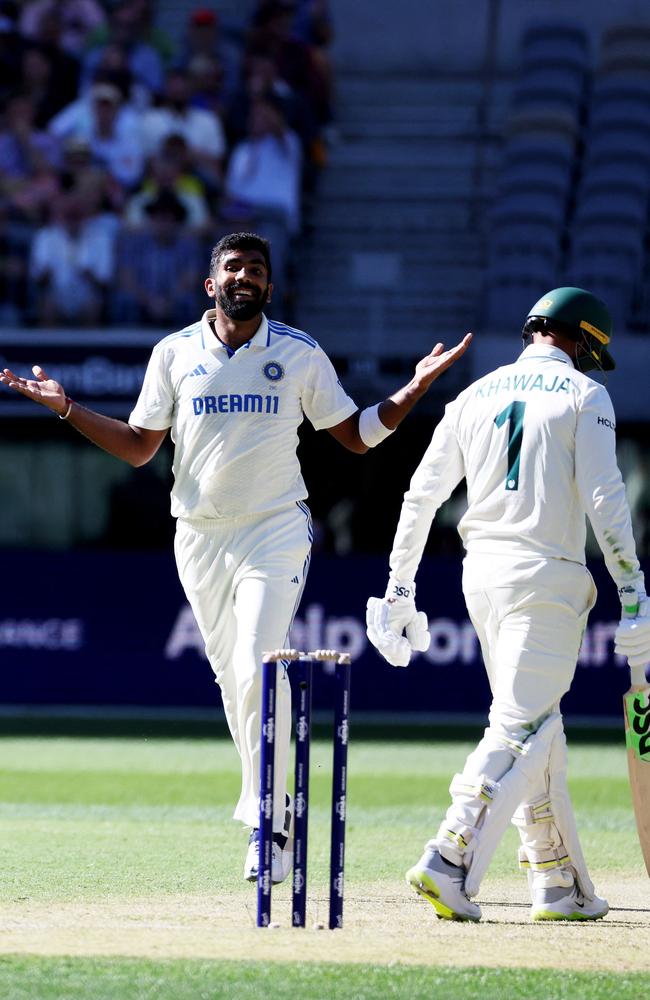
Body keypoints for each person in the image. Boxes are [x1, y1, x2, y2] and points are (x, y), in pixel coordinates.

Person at [0, 231, 472, 885]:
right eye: (233, 266)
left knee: (256, 665)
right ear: (210, 283)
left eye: (256, 268)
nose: (244, 275)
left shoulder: (300, 353)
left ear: (270, 287)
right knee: (234, 684)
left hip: (274, 530)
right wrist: (67, 409)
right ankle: (267, 811)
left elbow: (357, 437)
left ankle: (268, 826)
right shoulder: (173, 354)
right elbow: (141, 447)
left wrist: (414, 387)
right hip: (197, 537)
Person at [366, 286, 648, 922]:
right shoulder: (586, 395)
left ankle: (556, 883)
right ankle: (449, 856)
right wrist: (634, 592)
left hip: (481, 578)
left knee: (537, 724)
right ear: (581, 340)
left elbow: (421, 495)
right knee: (521, 726)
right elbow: (605, 501)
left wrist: (399, 587)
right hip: (545, 577)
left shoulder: (472, 395)